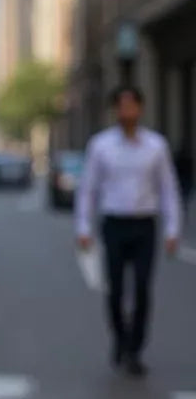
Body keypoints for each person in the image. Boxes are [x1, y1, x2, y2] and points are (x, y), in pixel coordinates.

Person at [76, 85, 182, 377]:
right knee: (116, 289)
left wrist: (172, 228)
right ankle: (120, 340)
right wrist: (83, 226)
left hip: (144, 224)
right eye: (121, 107)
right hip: (114, 224)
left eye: (132, 106)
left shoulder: (156, 146)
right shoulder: (101, 146)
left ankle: (135, 348)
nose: (127, 112)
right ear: (115, 111)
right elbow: (88, 189)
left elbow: (168, 189)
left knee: (143, 288)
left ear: (140, 109)